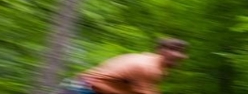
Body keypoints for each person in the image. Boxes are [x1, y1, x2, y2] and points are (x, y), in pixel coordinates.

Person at [59, 38, 188, 94]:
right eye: (175, 50)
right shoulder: (148, 68)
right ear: (161, 50)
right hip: (82, 90)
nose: (181, 55)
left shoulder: (153, 62)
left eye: (183, 52)